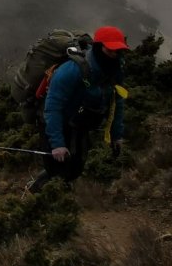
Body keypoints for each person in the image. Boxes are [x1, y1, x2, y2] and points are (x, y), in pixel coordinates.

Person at [27, 26, 129, 192]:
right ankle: (39, 196)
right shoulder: (72, 70)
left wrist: (116, 135)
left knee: (76, 167)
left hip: (79, 123)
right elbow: (52, 107)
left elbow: (117, 102)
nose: (115, 54)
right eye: (111, 50)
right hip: (55, 121)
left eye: (119, 50)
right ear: (99, 47)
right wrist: (57, 143)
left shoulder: (115, 70)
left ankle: (57, 193)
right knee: (56, 166)